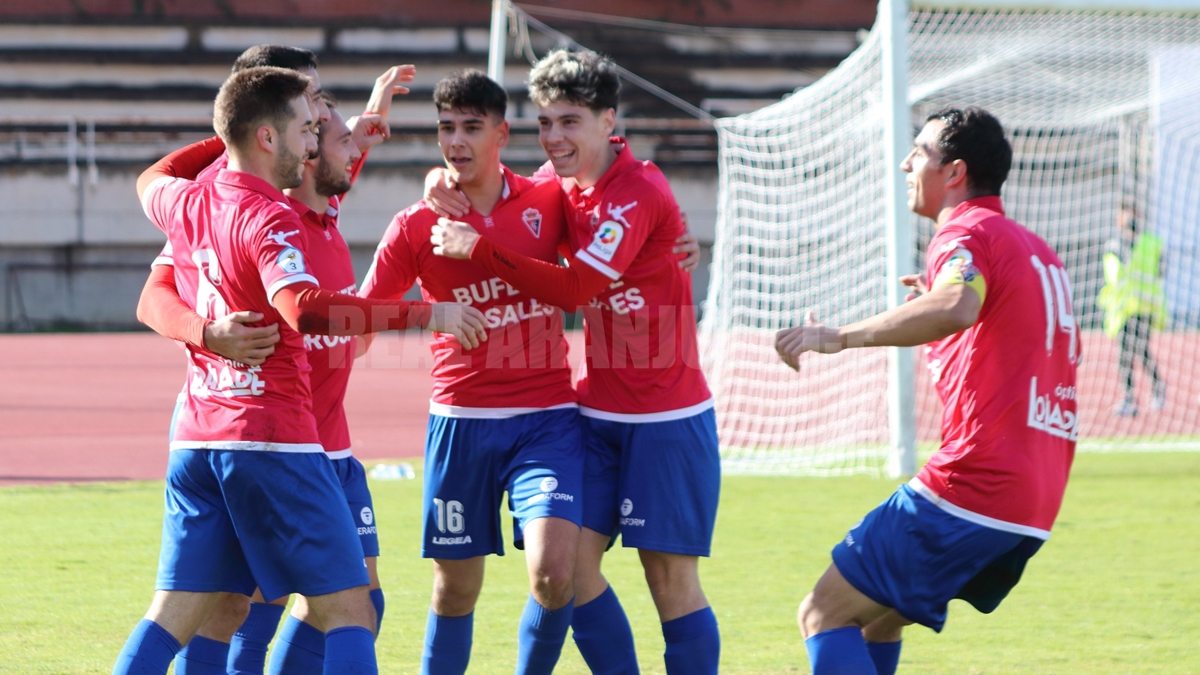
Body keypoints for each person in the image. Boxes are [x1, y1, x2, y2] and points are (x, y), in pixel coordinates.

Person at [115, 65, 485, 675]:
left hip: (200, 437)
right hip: (273, 438)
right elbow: (305, 310)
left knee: (176, 613)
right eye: (306, 123)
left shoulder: (187, 200)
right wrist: (426, 313)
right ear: (267, 136)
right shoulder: (270, 217)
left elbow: (151, 178)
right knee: (348, 611)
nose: (314, 138)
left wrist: (235, 127)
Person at [429, 49, 721, 675]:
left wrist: (478, 250)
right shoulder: (560, 185)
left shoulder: (636, 191)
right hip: (594, 413)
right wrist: (440, 177)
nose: (555, 137)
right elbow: (492, 184)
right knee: (565, 570)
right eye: (545, 122)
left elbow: (574, 291)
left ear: (607, 121)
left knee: (668, 580)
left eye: (570, 122)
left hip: (666, 416)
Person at [774, 107, 1078, 675]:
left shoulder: (963, 231)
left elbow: (957, 306)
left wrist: (836, 335)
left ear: (955, 172)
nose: (905, 162)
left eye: (919, 152)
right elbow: (991, 322)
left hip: (977, 481)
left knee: (823, 614)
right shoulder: (1038, 251)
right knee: (878, 616)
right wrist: (937, 295)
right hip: (1036, 498)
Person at [358, 69, 585, 675]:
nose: (456, 142)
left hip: (548, 420)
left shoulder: (549, 200)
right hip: (461, 423)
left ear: (502, 133)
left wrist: (673, 251)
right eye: (445, 128)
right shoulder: (413, 225)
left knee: (553, 574)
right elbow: (363, 312)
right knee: (456, 589)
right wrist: (428, 314)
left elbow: (608, 216)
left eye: (470, 128)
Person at [1098, 200, 1167, 416]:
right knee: (1126, 352)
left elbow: (1159, 270)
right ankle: (1131, 397)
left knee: (1139, 349)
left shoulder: (1150, 242)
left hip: (1144, 306)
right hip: (1123, 309)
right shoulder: (1114, 245)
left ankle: (1155, 389)